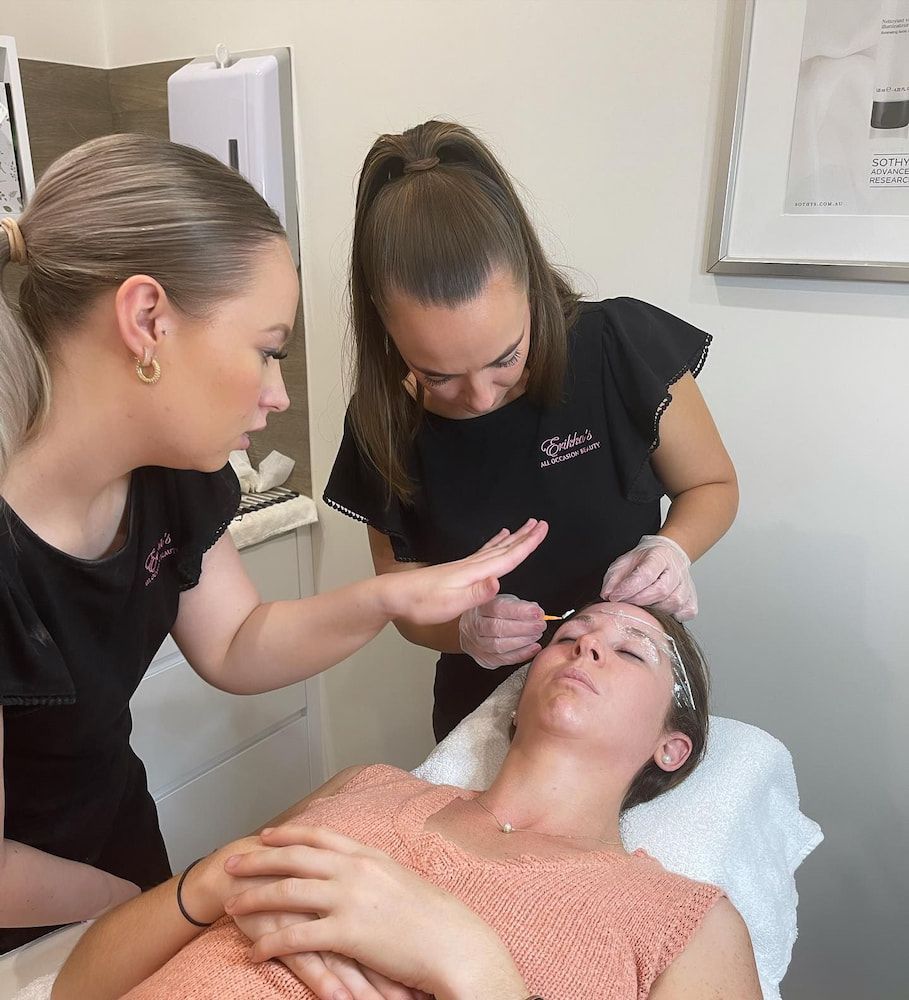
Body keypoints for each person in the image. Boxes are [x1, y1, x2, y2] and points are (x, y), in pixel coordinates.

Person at [0, 133, 549, 952]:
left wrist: (392, 595)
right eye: (267, 350)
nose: (277, 393)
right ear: (146, 320)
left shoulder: (167, 477)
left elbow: (236, 642)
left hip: (113, 842)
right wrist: (154, 906)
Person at [52, 601, 762, 1000]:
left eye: (631, 651)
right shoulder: (364, 787)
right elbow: (76, 988)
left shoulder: (683, 924)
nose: (586, 647)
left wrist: (475, 970)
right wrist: (215, 877)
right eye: (569, 635)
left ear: (672, 748)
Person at [324, 120, 739, 742]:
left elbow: (712, 485)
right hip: (482, 714)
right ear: (386, 329)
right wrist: (464, 629)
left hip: (621, 707)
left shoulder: (617, 348)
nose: (480, 397)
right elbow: (403, 595)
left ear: (530, 285)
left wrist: (673, 549)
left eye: (505, 359)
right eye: (438, 376)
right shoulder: (382, 421)